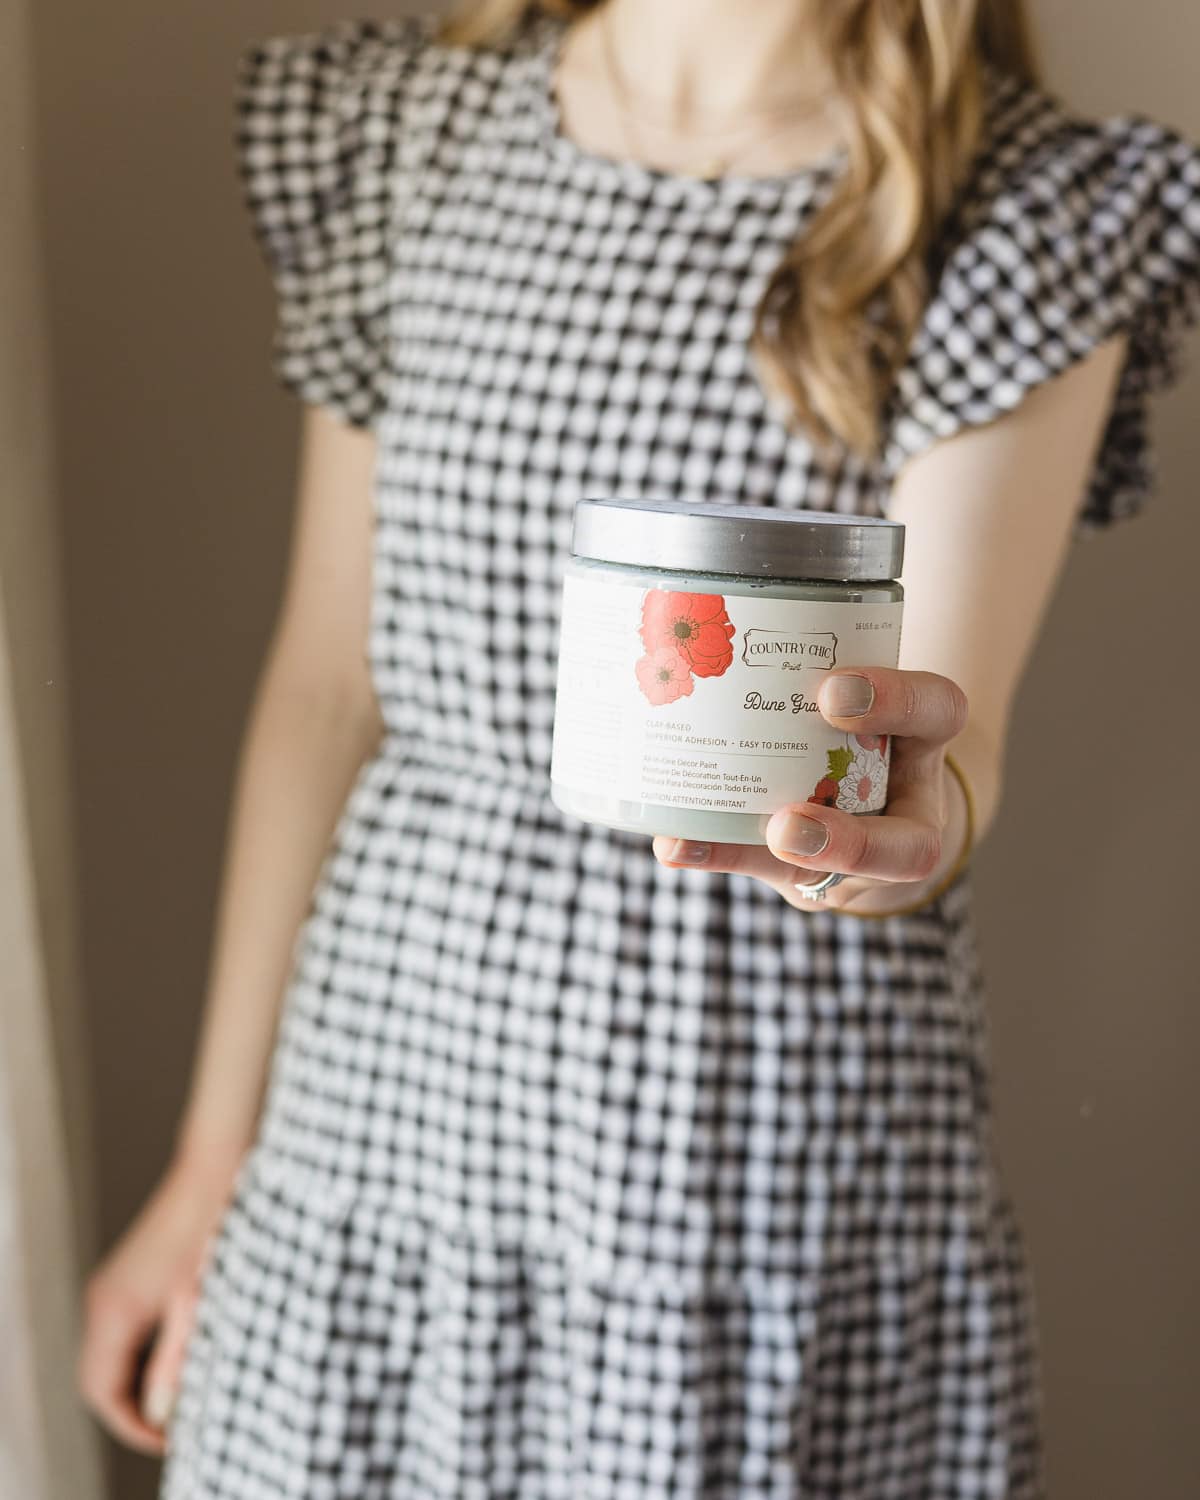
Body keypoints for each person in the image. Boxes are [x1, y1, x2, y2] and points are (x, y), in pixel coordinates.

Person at [78, 1, 1199, 1495]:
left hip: (743, 1123)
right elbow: (332, 690)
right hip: (388, 1075)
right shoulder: (411, 131)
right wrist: (214, 1157)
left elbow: (947, 734)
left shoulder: (1016, 205)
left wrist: (907, 828)